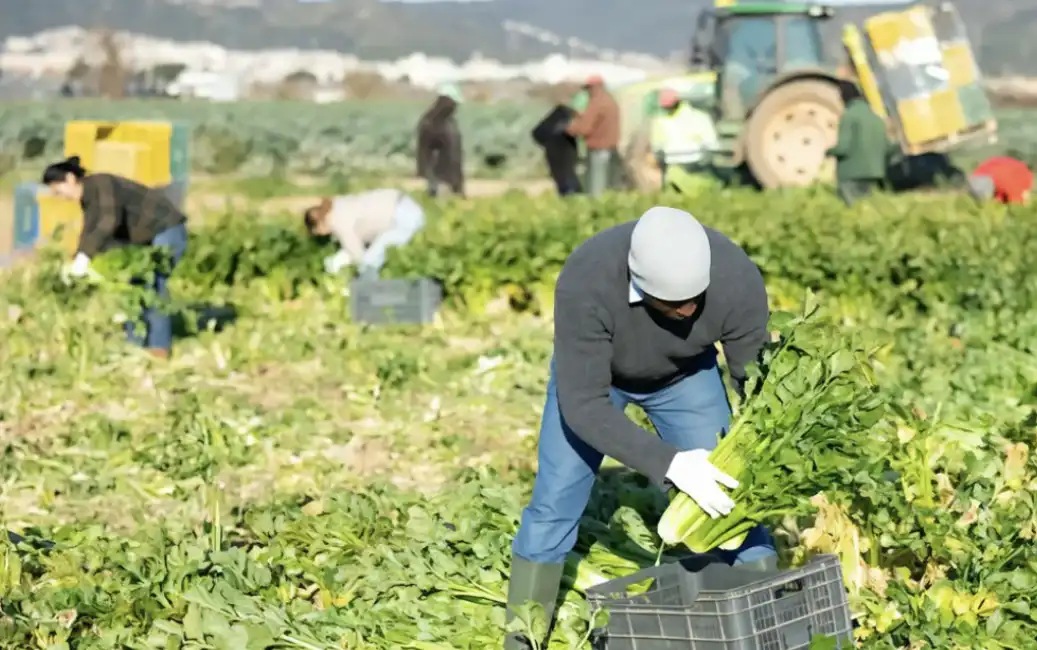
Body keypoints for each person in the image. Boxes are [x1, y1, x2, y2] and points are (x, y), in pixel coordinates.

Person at [504, 207, 776, 649]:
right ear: (638, 283)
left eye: (696, 299)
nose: (689, 310)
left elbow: (756, 379)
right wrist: (669, 464)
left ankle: (765, 616)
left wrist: (764, 447)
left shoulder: (734, 275)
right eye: (674, 304)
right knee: (555, 500)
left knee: (728, 494)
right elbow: (583, 406)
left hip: (686, 378)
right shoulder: (587, 279)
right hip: (596, 384)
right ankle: (523, 635)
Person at [42, 156, 188, 360]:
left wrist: (85, 256)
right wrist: (79, 258)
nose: (60, 197)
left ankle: (159, 348)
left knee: (154, 286)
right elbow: (90, 230)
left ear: (70, 178)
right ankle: (134, 343)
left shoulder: (102, 184)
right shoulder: (89, 199)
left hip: (166, 229)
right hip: (145, 239)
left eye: (58, 190)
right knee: (131, 287)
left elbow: (107, 222)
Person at [304, 188, 425, 280]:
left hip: (404, 217)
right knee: (376, 255)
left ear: (319, 226)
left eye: (318, 232)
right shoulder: (337, 206)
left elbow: (357, 255)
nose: (321, 235)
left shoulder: (337, 221)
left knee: (369, 263)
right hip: (407, 207)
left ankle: (369, 298)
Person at [825, 81, 888, 206]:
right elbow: (888, 146)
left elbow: (843, 148)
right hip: (875, 172)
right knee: (870, 208)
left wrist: (828, 152)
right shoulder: (876, 116)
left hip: (852, 174)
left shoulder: (849, 116)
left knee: (852, 210)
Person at [651, 88, 718, 189]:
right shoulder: (701, 117)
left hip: (675, 164)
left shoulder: (661, 121)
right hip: (697, 163)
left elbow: (656, 147)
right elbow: (713, 144)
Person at [566, 75, 620, 197]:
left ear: (594, 88)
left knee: (596, 188)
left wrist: (568, 129)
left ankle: (597, 212)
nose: (588, 92)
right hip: (610, 148)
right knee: (608, 185)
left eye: (589, 88)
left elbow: (585, 128)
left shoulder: (596, 103)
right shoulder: (610, 101)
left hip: (598, 149)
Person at [417, 83, 465, 199]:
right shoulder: (430, 124)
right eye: (453, 103)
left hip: (453, 181)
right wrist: (433, 182)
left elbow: (455, 156)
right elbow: (425, 155)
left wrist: (459, 186)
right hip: (439, 183)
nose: (455, 107)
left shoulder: (450, 122)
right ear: (445, 102)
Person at [967, 155, 1032, 205]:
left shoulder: (1015, 167)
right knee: (986, 204)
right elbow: (1015, 197)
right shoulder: (1023, 177)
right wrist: (1021, 200)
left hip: (973, 180)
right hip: (984, 183)